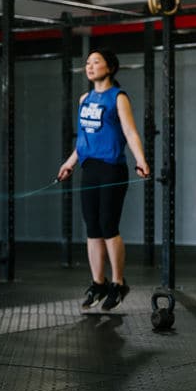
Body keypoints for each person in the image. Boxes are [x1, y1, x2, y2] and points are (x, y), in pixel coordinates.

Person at [57, 49, 149, 311]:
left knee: (108, 225)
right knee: (92, 228)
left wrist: (141, 160)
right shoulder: (84, 99)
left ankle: (118, 283)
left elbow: (130, 132)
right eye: (87, 63)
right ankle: (98, 282)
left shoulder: (117, 98)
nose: (89, 66)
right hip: (90, 168)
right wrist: (69, 163)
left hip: (112, 169)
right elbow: (84, 140)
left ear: (109, 67)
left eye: (95, 62)